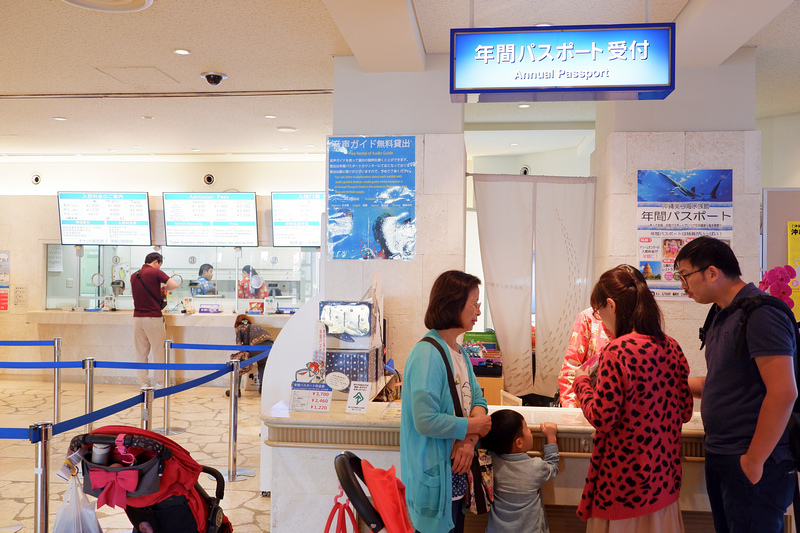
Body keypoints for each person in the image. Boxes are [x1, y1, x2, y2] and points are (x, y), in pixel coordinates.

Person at [675, 236, 798, 533]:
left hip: (753, 459)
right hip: (722, 454)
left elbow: (783, 392)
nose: (683, 286)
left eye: (685, 276)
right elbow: (726, 381)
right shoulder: (722, 314)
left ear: (712, 272)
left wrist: (754, 460)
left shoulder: (761, 314)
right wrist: (669, 382)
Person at [573, 264, 693, 531]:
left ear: (611, 305)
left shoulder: (617, 351)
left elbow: (602, 418)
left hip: (623, 485)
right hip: (663, 481)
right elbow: (685, 410)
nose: (600, 319)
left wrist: (581, 382)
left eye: (598, 310)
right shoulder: (671, 345)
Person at [400, 270, 492, 533]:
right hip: (434, 484)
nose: (478, 311)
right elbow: (425, 420)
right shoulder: (427, 354)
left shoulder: (459, 351)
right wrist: (475, 427)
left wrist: (468, 441)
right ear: (454, 303)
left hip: (454, 481)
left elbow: (478, 399)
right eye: (474, 303)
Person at [481, 410, 559, 533]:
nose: (530, 431)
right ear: (519, 442)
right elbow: (553, 467)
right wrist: (551, 437)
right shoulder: (535, 466)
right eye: (527, 428)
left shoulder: (491, 462)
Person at [130, 252, 179, 387]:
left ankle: (144, 384)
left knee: (141, 353)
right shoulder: (156, 272)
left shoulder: (134, 276)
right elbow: (174, 284)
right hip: (153, 318)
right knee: (158, 352)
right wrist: (165, 287)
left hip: (137, 318)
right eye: (159, 265)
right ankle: (159, 384)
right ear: (156, 261)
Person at [557, 308, 612, 407]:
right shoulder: (589, 317)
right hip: (588, 402)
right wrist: (570, 407)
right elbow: (571, 365)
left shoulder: (633, 321)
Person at [232, 314, 273, 394]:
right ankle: (262, 389)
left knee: (238, 362)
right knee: (262, 365)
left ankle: (236, 391)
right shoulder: (256, 327)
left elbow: (239, 346)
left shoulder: (239, 328)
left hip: (257, 347)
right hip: (270, 347)